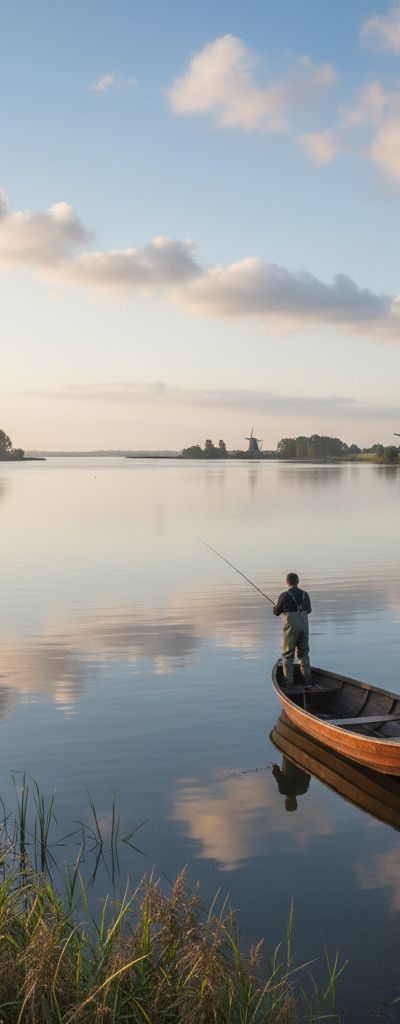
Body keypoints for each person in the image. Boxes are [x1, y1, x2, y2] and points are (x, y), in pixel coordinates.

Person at [273, 573, 312, 687]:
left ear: (287, 582)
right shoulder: (305, 594)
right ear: (297, 582)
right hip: (304, 626)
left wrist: (275, 607)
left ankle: (288, 682)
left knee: (287, 654)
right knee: (303, 653)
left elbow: (276, 612)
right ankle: (308, 681)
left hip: (291, 627)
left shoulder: (284, 595)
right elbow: (309, 610)